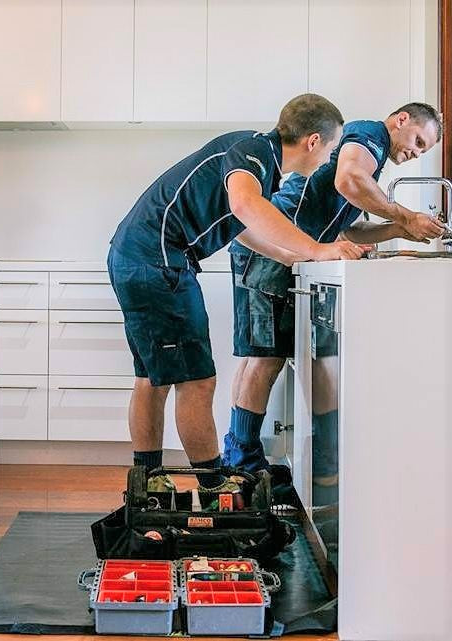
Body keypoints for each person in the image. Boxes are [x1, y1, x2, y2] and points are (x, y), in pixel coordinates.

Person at [107, 93, 366, 494]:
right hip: (158, 262)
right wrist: (318, 249)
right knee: (198, 381)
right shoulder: (254, 154)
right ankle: (215, 491)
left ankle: (148, 486)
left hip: (140, 256)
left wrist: (291, 255)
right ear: (313, 141)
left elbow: (239, 226)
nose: (326, 159)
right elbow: (246, 207)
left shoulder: (253, 155)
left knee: (152, 379)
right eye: (331, 149)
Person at [222, 102, 444, 482]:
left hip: (282, 248)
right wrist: (406, 216)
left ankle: (263, 459)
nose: (415, 153)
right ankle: (242, 466)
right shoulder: (369, 136)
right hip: (273, 248)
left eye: (424, 151)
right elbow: (349, 181)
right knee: (264, 358)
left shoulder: (367, 154)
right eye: (418, 141)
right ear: (401, 120)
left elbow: (347, 230)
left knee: (266, 356)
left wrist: (399, 230)